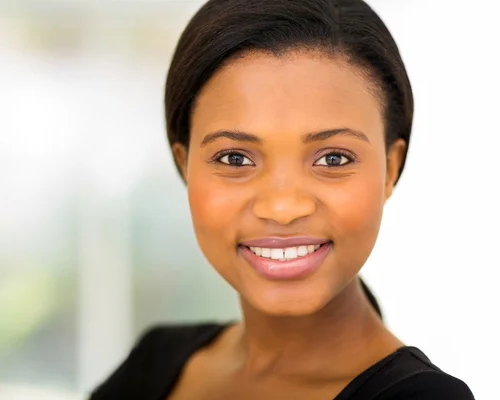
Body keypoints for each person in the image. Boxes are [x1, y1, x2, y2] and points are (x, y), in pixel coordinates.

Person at [91, 0, 475, 398]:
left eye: (333, 158)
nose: (283, 207)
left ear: (390, 169)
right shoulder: (155, 365)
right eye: (235, 158)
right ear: (185, 166)